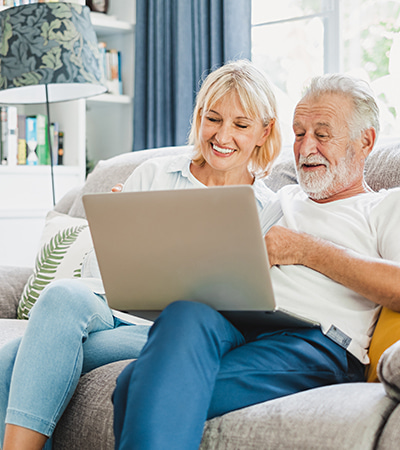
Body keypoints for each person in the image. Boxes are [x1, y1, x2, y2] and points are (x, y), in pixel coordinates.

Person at [0, 59, 283, 450]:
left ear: (263, 131)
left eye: (241, 125)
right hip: (114, 310)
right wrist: (117, 233)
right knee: (61, 294)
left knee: (13, 358)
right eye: (213, 119)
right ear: (199, 117)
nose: (223, 135)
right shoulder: (155, 174)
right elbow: (102, 275)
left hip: (174, 332)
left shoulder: (267, 209)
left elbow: (253, 299)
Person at [112, 73, 400, 450]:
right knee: (185, 311)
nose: (306, 147)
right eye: (299, 134)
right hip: (241, 322)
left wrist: (304, 249)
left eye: (322, 134)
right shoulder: (279, 200)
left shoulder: (382, 207)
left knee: (133, 384)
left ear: (366, 142)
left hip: (315, 341)